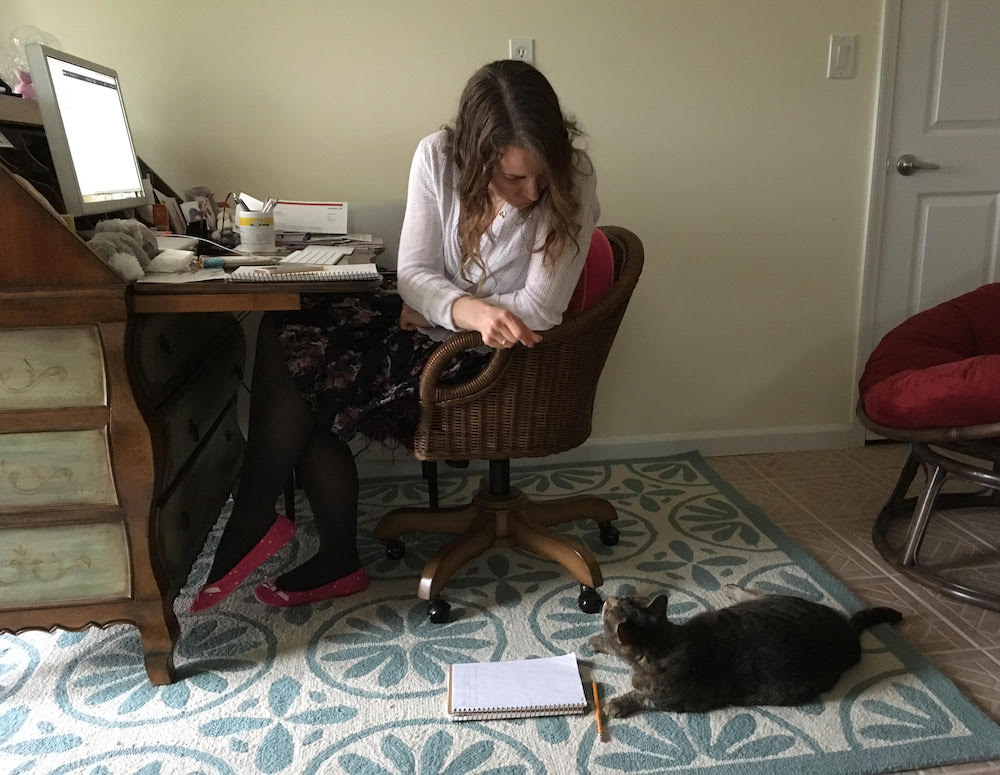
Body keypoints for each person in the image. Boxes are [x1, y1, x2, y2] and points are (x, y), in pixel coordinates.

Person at [191, 59, 600, 612]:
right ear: (477, 158)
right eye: (513, 178)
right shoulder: (437, 156)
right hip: (449, 327)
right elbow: (413, 273)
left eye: (540, 177)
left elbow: (539, 309)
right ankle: (278, 522)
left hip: (491, 354)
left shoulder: (573, 176)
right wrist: (449, 305)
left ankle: (278, 526)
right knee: (289, 329)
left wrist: (447, 312)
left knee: (308, 377)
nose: (531, 192)